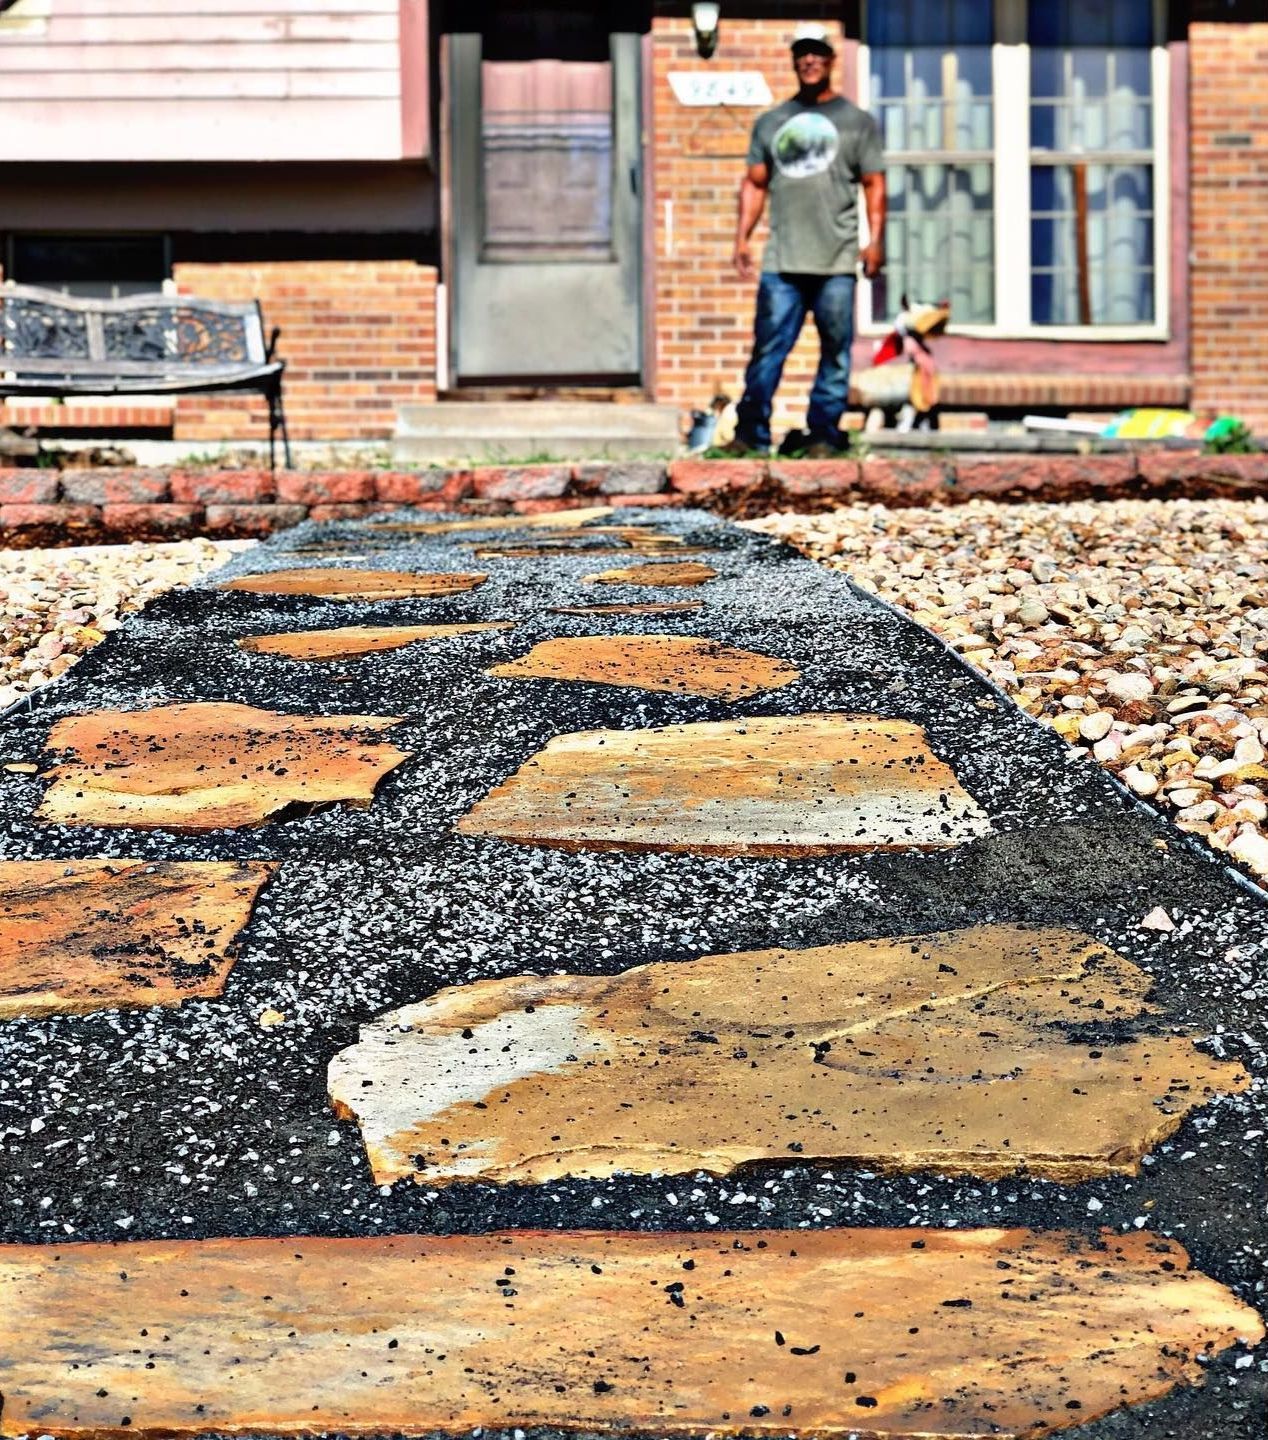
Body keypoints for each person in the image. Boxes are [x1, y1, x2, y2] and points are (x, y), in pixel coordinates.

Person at [728, 22, 886, 457]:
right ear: (795, 60)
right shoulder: (773, 122)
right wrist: (741, 238)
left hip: (835, 260)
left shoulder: (856, 123)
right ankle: (751, 435)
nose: (810, 59)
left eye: (818, 52)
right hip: (783, 262)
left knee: (835, 351)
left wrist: (875, 242)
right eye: (803, 52)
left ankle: (822, 434)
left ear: (831, 60)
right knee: (768, 350)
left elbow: (874, 184)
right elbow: (755, 184)